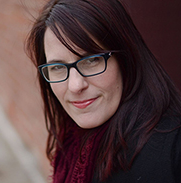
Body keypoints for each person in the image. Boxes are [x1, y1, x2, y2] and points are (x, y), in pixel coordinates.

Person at [26, 0, 181, 182]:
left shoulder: (170, 155)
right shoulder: (72, 143)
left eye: (91, 60)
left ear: (126, 59)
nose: (75, 85)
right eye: (58, 67)